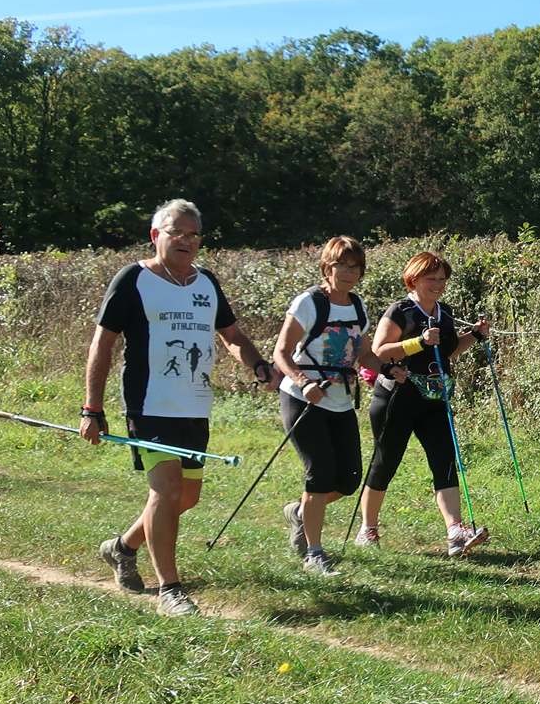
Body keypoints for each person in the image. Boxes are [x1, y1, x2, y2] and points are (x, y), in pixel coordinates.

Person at [81, 198, 280, 616]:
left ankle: (122, 547)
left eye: (193, 234)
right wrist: (92, 408)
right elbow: (103, 343)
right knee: (166, 490)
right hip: (150, 405)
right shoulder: (133, 279)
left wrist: (259, 365)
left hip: (194, 405)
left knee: (186, 497)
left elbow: (232, 335)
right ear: (156, 236)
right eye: (176, 232)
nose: (186, 240)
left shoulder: (206, 283)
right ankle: (169, 590)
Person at [358, 251, 490, 556]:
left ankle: (455, 532)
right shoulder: (400, 311)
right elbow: (378, 353)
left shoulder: (444, 313)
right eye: (431, 278)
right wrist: (417, 342)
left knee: (444, 461)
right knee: (385, 462)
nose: (438, 284)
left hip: (434, 399)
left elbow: (449, 353)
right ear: (413, 279)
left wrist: (475, 335)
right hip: (396, 397)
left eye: (442, 279)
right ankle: (368, 529)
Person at [273, 236, 383, 576]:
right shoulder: (309, 303)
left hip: (339, 401)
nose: (348, 273)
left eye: (355, 267)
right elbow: (280, 352)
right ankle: (315, 553)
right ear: (327, 267)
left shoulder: (357, 306)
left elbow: (362, 352)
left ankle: (301, 512)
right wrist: (304, 383)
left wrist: (388, 368)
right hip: (301, 398)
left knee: (349, 479)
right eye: (341, 266)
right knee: (319, 474)